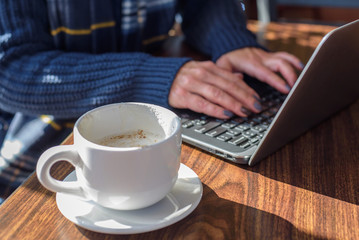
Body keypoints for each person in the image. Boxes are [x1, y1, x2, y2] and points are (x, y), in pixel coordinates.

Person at [0, 0, 303, 202]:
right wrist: (147, 77)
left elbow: (204, 4)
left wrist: (230, 42)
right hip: (41, 149)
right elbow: (10, 70)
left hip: (164, 119)